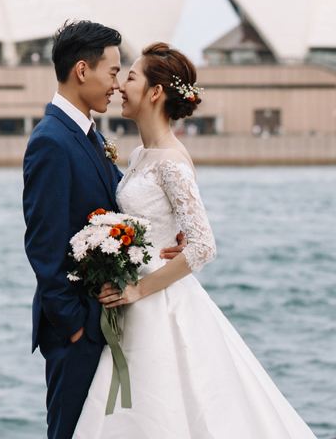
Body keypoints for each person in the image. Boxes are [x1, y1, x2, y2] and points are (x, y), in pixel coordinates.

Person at [73, 42, 315, 438]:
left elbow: (203, 245)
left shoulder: (171, 160)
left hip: (155, 298)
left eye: (131, 77)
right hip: (137, 291)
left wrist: (137, 291)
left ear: (154, 93)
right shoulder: (139, 156)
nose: (120, 87)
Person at [22, 22, 186, 439]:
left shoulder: (88, 135)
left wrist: (167, 231)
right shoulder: (52, 141)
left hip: (104, 318)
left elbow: (121, 202)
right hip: (77, 328)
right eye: (112, 72)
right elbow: (44, 242)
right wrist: (75, 324)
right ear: (82, 70)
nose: (116, 85)